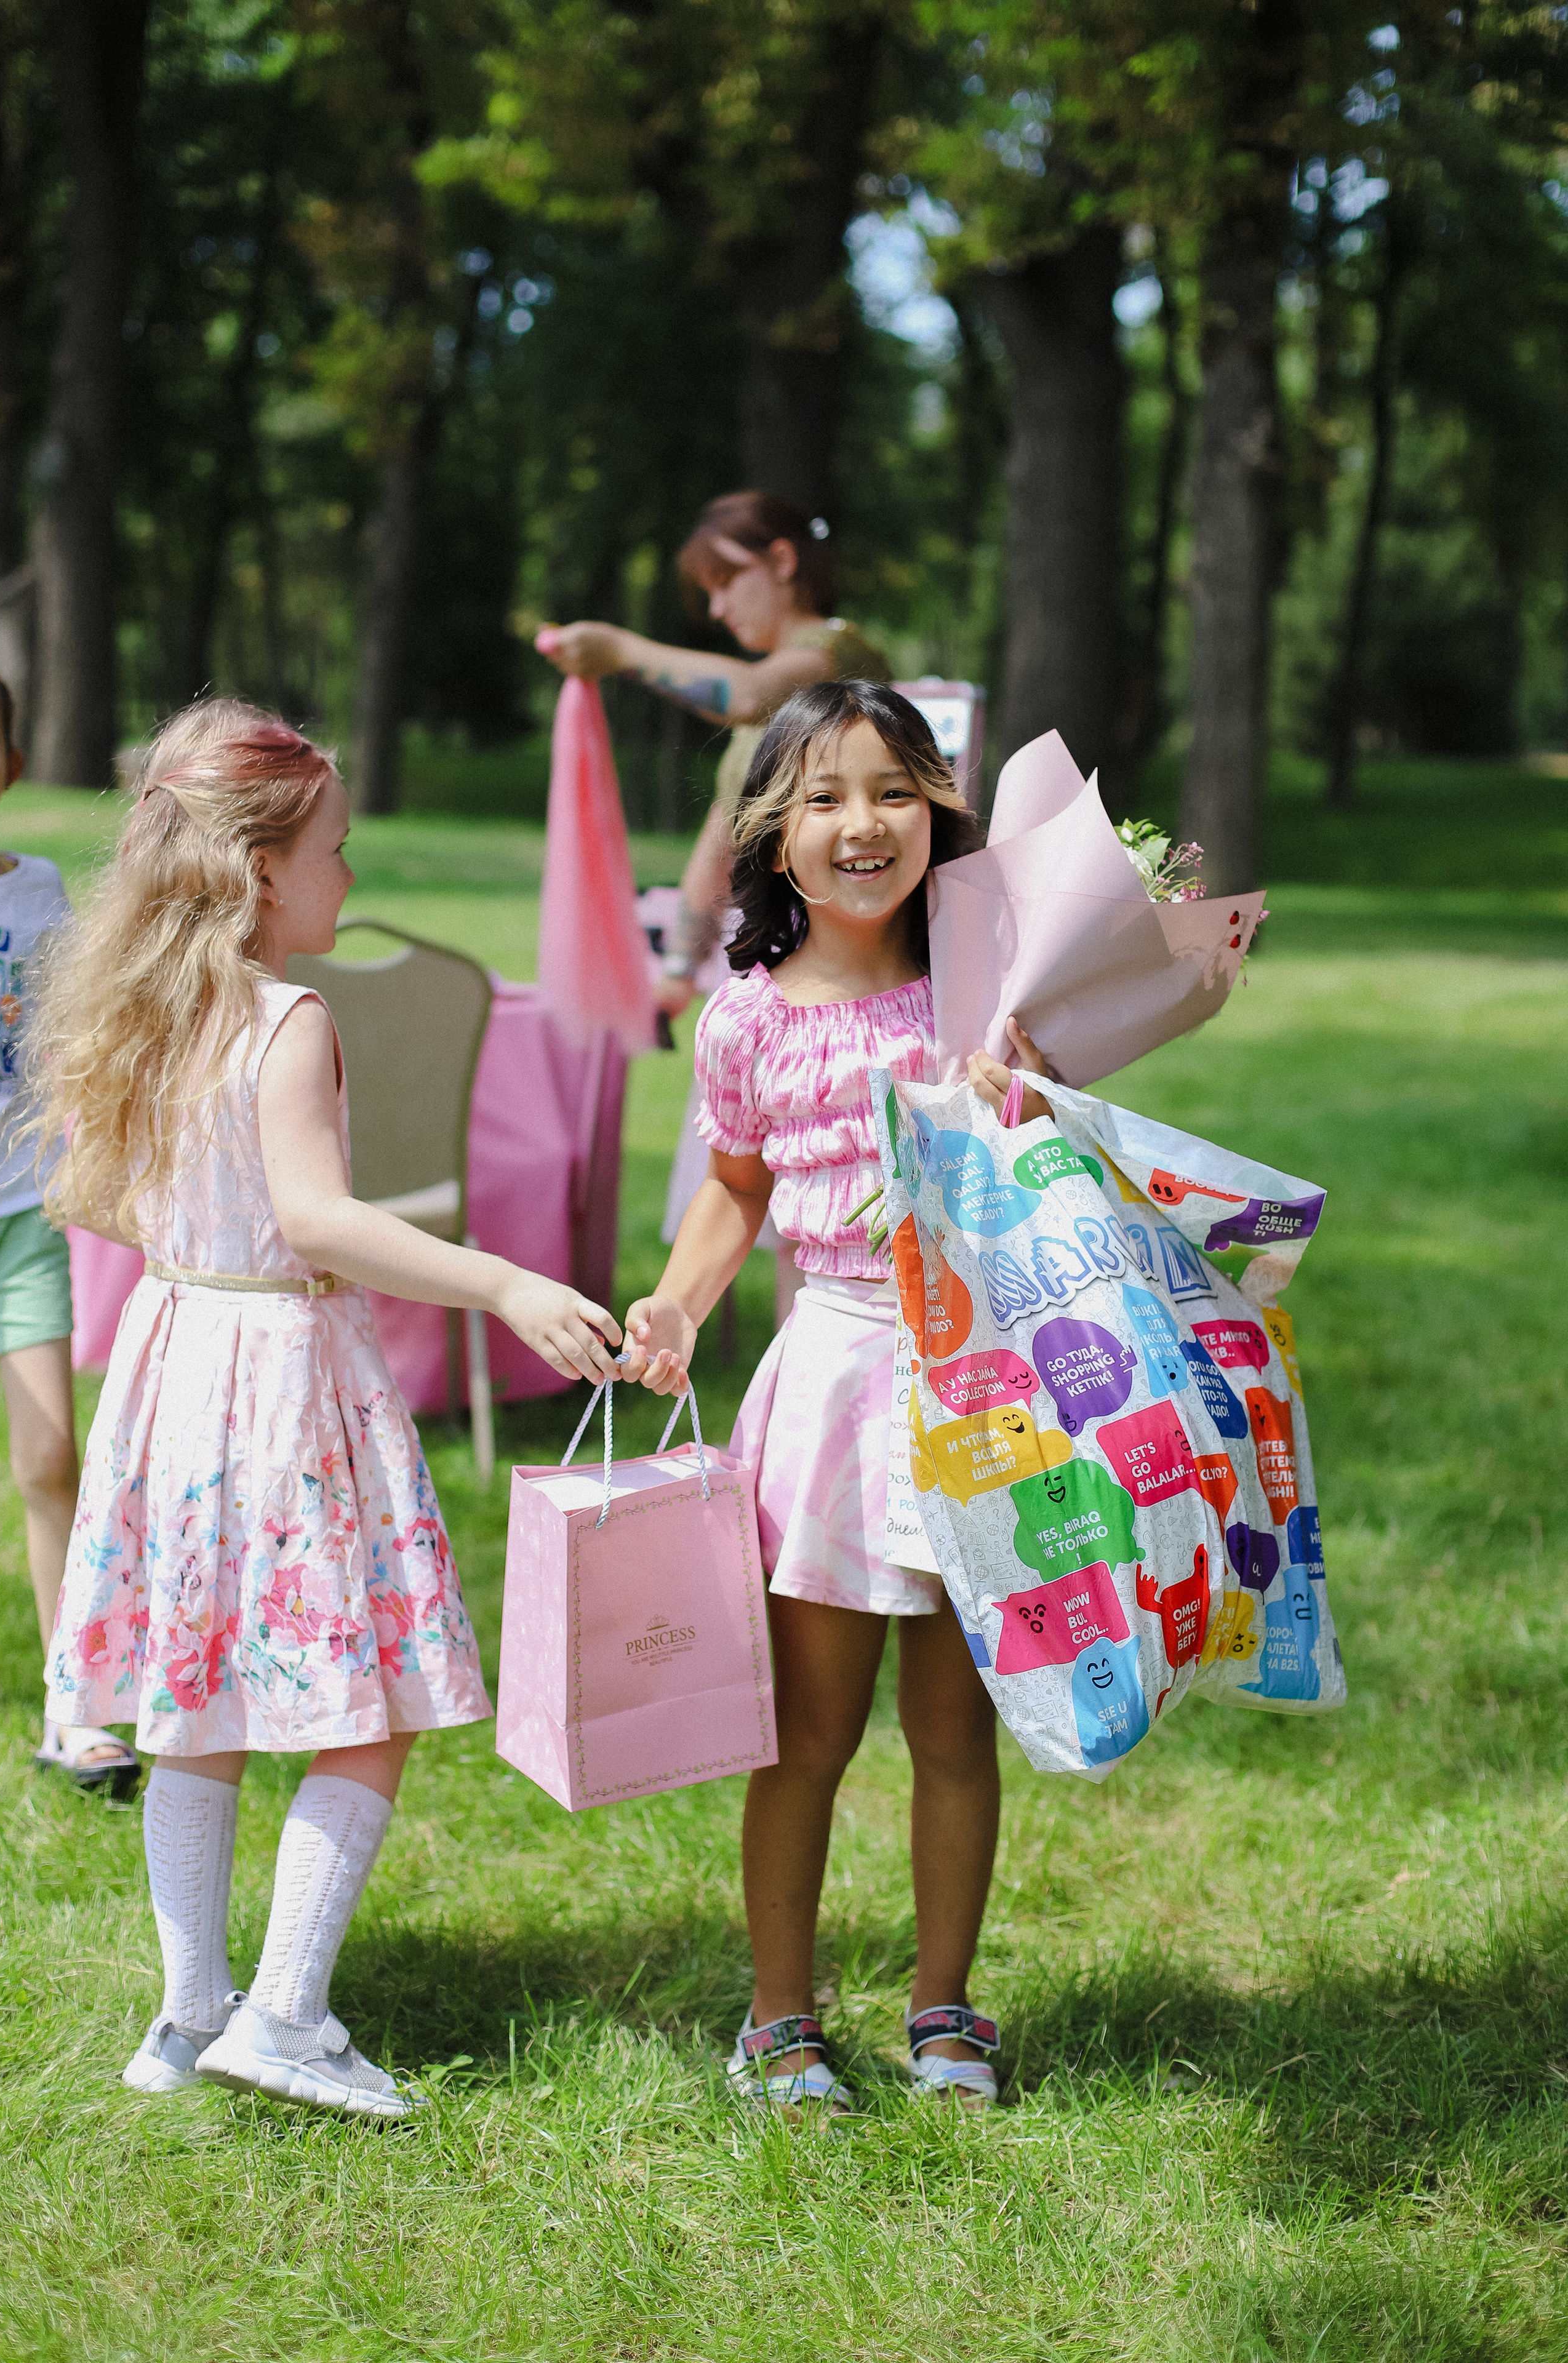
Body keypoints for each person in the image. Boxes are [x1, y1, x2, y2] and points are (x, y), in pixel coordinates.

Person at [33, 698, 623, 2120]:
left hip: (176, 1363)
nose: (351, 878)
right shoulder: (289, 1018)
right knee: (370, 1698)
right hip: (285, 1387)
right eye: (337, 852)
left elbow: (87, 1194)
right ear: (259, 874)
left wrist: (200, 1251)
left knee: (198, 1703)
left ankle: (186, 2017)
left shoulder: (146, 1013)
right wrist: (503, 1283)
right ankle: (283, 2012)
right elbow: (319, 1217)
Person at [622, 679, 1050, 2114]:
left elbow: (1052, 1172)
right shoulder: (744, 1021)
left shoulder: (991, 988)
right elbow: (734, 1192)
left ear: (934, 809)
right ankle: (778, 2018)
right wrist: (677, 1305)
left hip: (978, 1392)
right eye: (822, 796)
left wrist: (1036, 1098)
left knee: (952, 1727)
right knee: (806, 1734)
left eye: (888, 790)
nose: (860, 823)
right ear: (772, 830)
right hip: (829, 1387)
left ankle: (944, 2011)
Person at [538, 491, 893, 1328]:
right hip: (772, 961)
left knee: (821, 1187)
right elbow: (721, 837)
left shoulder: (832, 656)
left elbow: (743, 696)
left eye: (727, 581)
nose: (718, 606)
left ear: (781, 560)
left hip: (835, 967)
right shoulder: (768, 707)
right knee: (760, 1185)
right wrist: (674, 963)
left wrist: (621, 649)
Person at [0, 674, 129, 1794]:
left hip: (20, 1219)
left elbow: (98, 1021)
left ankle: (72, 1708)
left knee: (48, 1456)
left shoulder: (41, 895)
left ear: (12, 758)